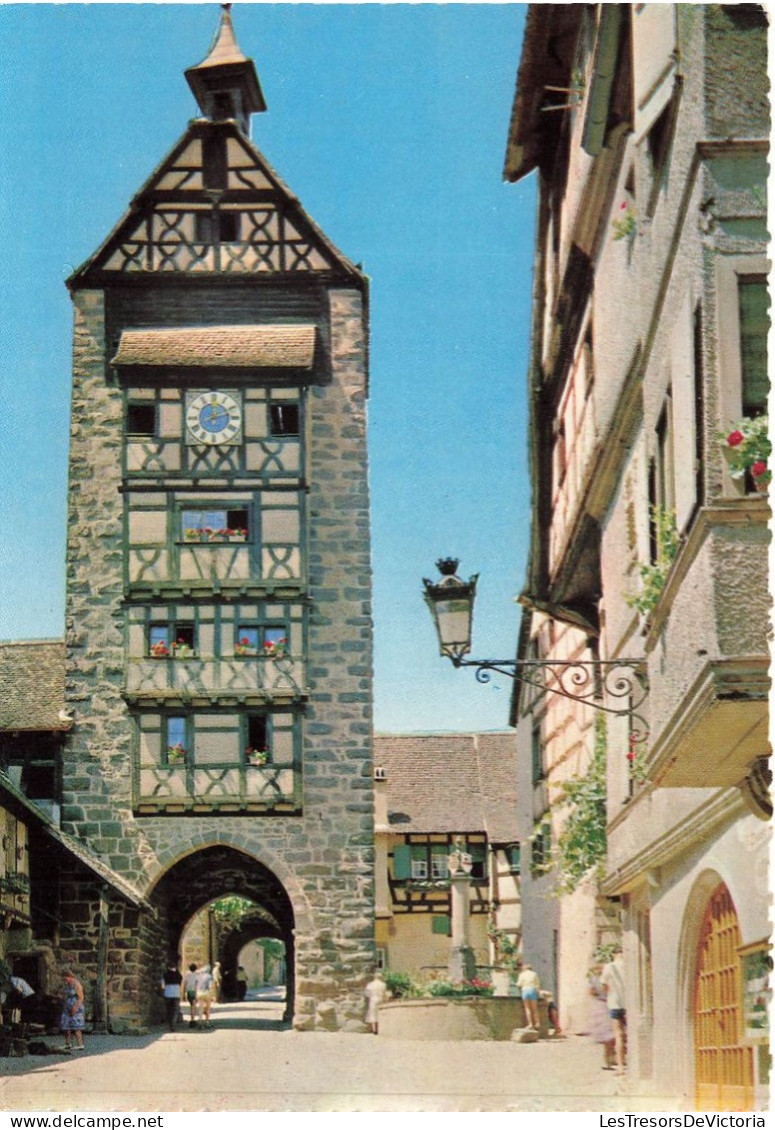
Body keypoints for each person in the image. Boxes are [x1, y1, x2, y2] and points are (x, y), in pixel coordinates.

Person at [600, 947, 627, 1075]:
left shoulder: (609, 967)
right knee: (629, 1034)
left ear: (614, 954)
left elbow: (604, 985)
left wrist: (609, 995)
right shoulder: (630, 965)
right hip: (630, 1004)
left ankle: (621, 1066)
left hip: (615, 1003)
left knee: (618, 1034)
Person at [588, 964, 616, 1069]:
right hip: (605, 1006)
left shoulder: (595, 980)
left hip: (602, 1006)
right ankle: (609, 1059)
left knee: (609, 1035)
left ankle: (609, 1058)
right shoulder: (604, 980)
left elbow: (591, 992)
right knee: (609, 1035)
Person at [59, 969, 85, 1052]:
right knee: (66, 1025)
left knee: (76, 1026)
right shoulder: (68, 985)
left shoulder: (77, 984)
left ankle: (80, 1044)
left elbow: (81, 998)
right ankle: (68, 1043)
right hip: (67, 1007)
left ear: (69, 976)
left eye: (65, 978)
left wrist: (75, 1007)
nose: (64, 980)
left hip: (76, 1007)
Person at [516, 962, 541, 1030]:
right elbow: (537, 985)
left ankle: (530, 1024)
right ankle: (537, 1023)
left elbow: (519, 984)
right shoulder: (534, 974)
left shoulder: (522, 974)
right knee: (535, 1009)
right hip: (532, 990)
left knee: (527, 1008)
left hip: (525, 990)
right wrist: (538, 993)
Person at [160, 958, 182, 1032]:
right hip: (176, 994)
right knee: (175, 1010)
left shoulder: (165, 975)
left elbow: (162, 985)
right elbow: (180, 983)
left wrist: (162, 991)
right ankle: (173, 1025)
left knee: (169, 1010)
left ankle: (170, 1024)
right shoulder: (178, 975)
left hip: (168, 993)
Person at [363, 971, 388, 1035]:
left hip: (373, 999)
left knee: (373, 1014)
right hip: (381, 999)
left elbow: (366, 993)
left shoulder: (371, 984)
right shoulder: (383, 984)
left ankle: (374, 1029)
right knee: (380, 1014)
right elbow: (385, 993)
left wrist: (370, 996)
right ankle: (380, 1028)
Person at [183, 962, 200, 1027]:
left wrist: (184, 993)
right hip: (194, 991)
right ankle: (192, 1020)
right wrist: (196, 994)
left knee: (191, 1006)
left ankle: (192, 1019)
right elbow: (196, 985)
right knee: (194, 1006)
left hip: (189, 991)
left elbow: (185, 984)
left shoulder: (187, 975)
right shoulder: (197, 975)